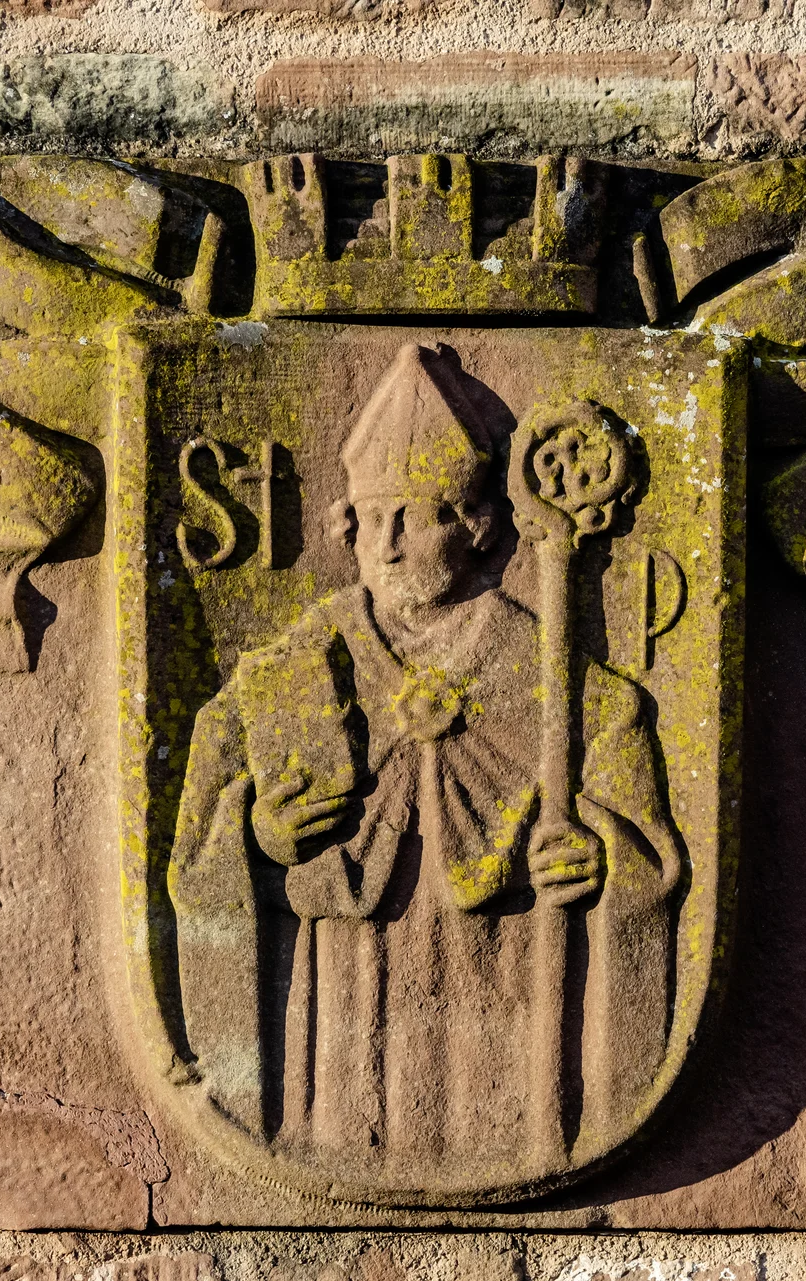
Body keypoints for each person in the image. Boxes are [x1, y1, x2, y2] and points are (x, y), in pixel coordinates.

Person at [167, 342, 682, 1191]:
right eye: (372, 518)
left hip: (502, 986)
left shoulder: (548, 668)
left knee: (497, 1091)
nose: (389, 543)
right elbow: (214, 817)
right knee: (348, 1103)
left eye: (416, 515)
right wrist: (256, 832)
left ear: (477, 525)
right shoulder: (304, 661)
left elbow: (643, 846)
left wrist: (600, 856)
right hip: (344, 993)